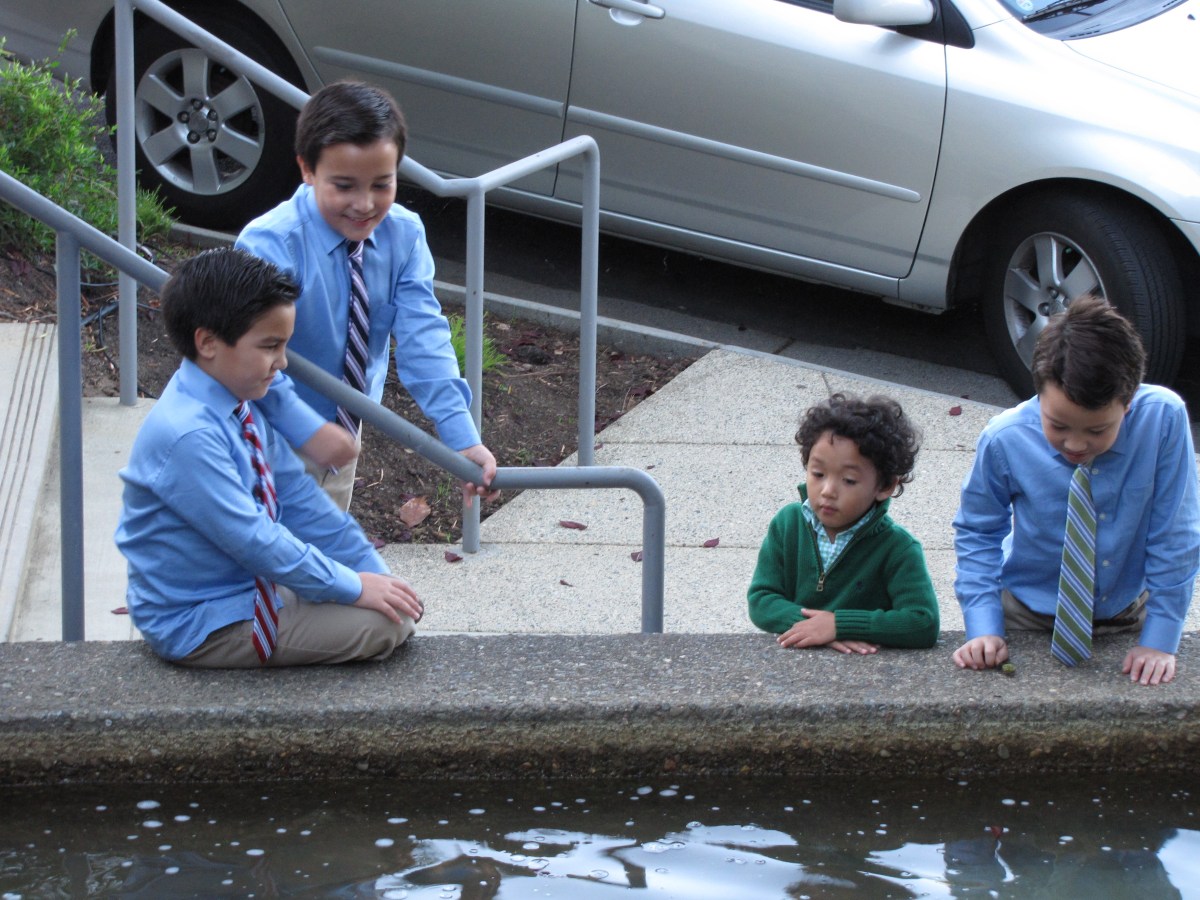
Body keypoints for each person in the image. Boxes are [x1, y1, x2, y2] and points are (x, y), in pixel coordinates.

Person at [115, 247, 422, 667]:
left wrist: (372, 572)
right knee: (386, 625)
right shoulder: (189, 435)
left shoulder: (242, 400)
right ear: (208, 342)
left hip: (245, 587)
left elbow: (298, 498)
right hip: (200, 620)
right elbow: (254, 540)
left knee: (388, 601)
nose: (282, 362)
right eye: (270, 346)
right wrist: (353, 586)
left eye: (284, 345)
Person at [236, 79, 495, 511]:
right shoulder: (271, 244)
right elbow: (249, 357)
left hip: (341, 439)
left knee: (320, 544)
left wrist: (461, 437)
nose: (364, 204)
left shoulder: (403, 235)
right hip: (266, 437)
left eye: (381, 184)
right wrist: (308, 432)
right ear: (307, 170)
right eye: (344, 185)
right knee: (261, 547)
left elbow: (423, 338)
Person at [953, 295, 1200, 685]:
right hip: (1026, 614)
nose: (1075, 444)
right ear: (1038, 393)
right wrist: (984, 626)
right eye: (1058, 425)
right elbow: (978, 532)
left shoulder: (1163, 419)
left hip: (1128, 612)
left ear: (1128, 403)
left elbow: (1176, 533)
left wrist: (1160, 639)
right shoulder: (1004, 438)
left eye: (1098, 429)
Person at [747, 393, 939, 653]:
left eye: (848, 480)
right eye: (818, 473)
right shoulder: (788, 523)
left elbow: (923, 621)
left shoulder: (898, 548)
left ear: (885, 486)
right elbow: (761, 599)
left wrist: (840, 625)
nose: (828, 490)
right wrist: (811, 628)